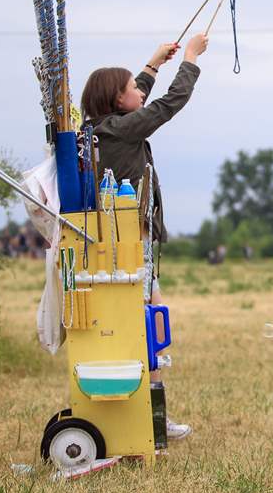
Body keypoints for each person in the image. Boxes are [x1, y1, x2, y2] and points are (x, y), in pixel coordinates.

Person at [81, 33, 209, 441]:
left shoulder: (101, 129)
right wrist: (188, 60)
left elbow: (137, 99)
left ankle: (154, 417)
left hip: (126, 246)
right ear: (118, 101)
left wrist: (153, 64)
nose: (139, 90)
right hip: (130, 248)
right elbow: (166, 106)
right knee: (147, 329)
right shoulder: (120, 131)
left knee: (150, 322)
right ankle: (151, 421)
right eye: (132, 88)